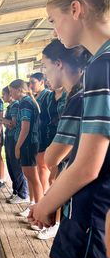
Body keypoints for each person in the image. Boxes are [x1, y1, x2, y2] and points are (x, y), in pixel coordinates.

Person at [28, 0, 110, 258]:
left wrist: (44, 205)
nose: (54, 31)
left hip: (96, 212)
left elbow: (88, 165)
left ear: (75, 9)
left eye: (53, 20)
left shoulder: (102, 66)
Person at [38, 39, 90, 240]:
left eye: (45, 66)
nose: (45, 73)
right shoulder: (84, 93)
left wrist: (44, 206)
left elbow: (52, 158)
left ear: (59, 64)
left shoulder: (78, 100)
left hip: (81, 193)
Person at [9, 79, 43, 220]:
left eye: (11, 91)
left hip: (28, 144)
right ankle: (32, 205)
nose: (11, 94)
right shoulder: (29, 101)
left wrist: (17, 147)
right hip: (30, 143)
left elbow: (25, 127)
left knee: (34, 178)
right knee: (29, 177)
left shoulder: (25, 102)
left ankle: (40, 213)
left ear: (18, 89)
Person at [0, 86, 29, 204]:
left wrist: (0, 118)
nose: (2, 97)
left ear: (10, 94)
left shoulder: (15, 105)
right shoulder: (9, 106)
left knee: (16, 166)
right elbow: (8, 124)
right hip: (9, 137)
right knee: (10, 165)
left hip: (14, 138)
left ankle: (23, 193)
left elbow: (13, 123)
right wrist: (2, 120)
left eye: (4, 94)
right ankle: (15, 191)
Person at [29, 72, 51, 194]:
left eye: (33, 82)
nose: (31, 85)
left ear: (42, 82)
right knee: (37, 167)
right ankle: (38, 197)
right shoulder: (36, 96)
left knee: (43, 167)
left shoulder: (47, 95)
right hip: (35, 135)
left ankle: (43, 195)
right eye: (30, 83)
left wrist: (31, 97)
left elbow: (41, 113)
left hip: (43, 134)